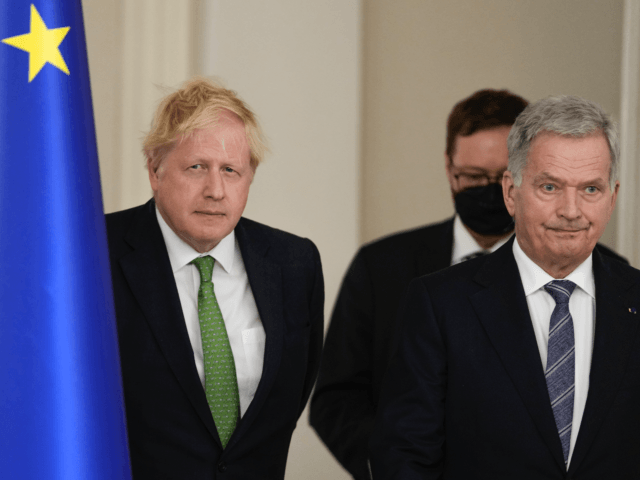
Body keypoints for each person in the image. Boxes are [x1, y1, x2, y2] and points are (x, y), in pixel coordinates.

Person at [369, 95, 640, 479]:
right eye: (550, 187)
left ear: (612, 198)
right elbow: (403, 456)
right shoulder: (441, 304)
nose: (571, 210)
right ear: (511, 192)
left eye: (590, 190)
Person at [106, 78, 324, 480]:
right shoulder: (95, 255)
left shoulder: (295, 265)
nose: (216, 190)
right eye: (196, 168)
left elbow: (287, 401)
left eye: (230, 170)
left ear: (250, 176)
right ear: (155, 169)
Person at [310, 89, 529, 479]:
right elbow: (336, 400)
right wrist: (396, 468)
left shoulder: (586, 274)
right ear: (448, 168)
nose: (489, 190)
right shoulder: (380, 267)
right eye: (474, 176)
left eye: (504, 178)